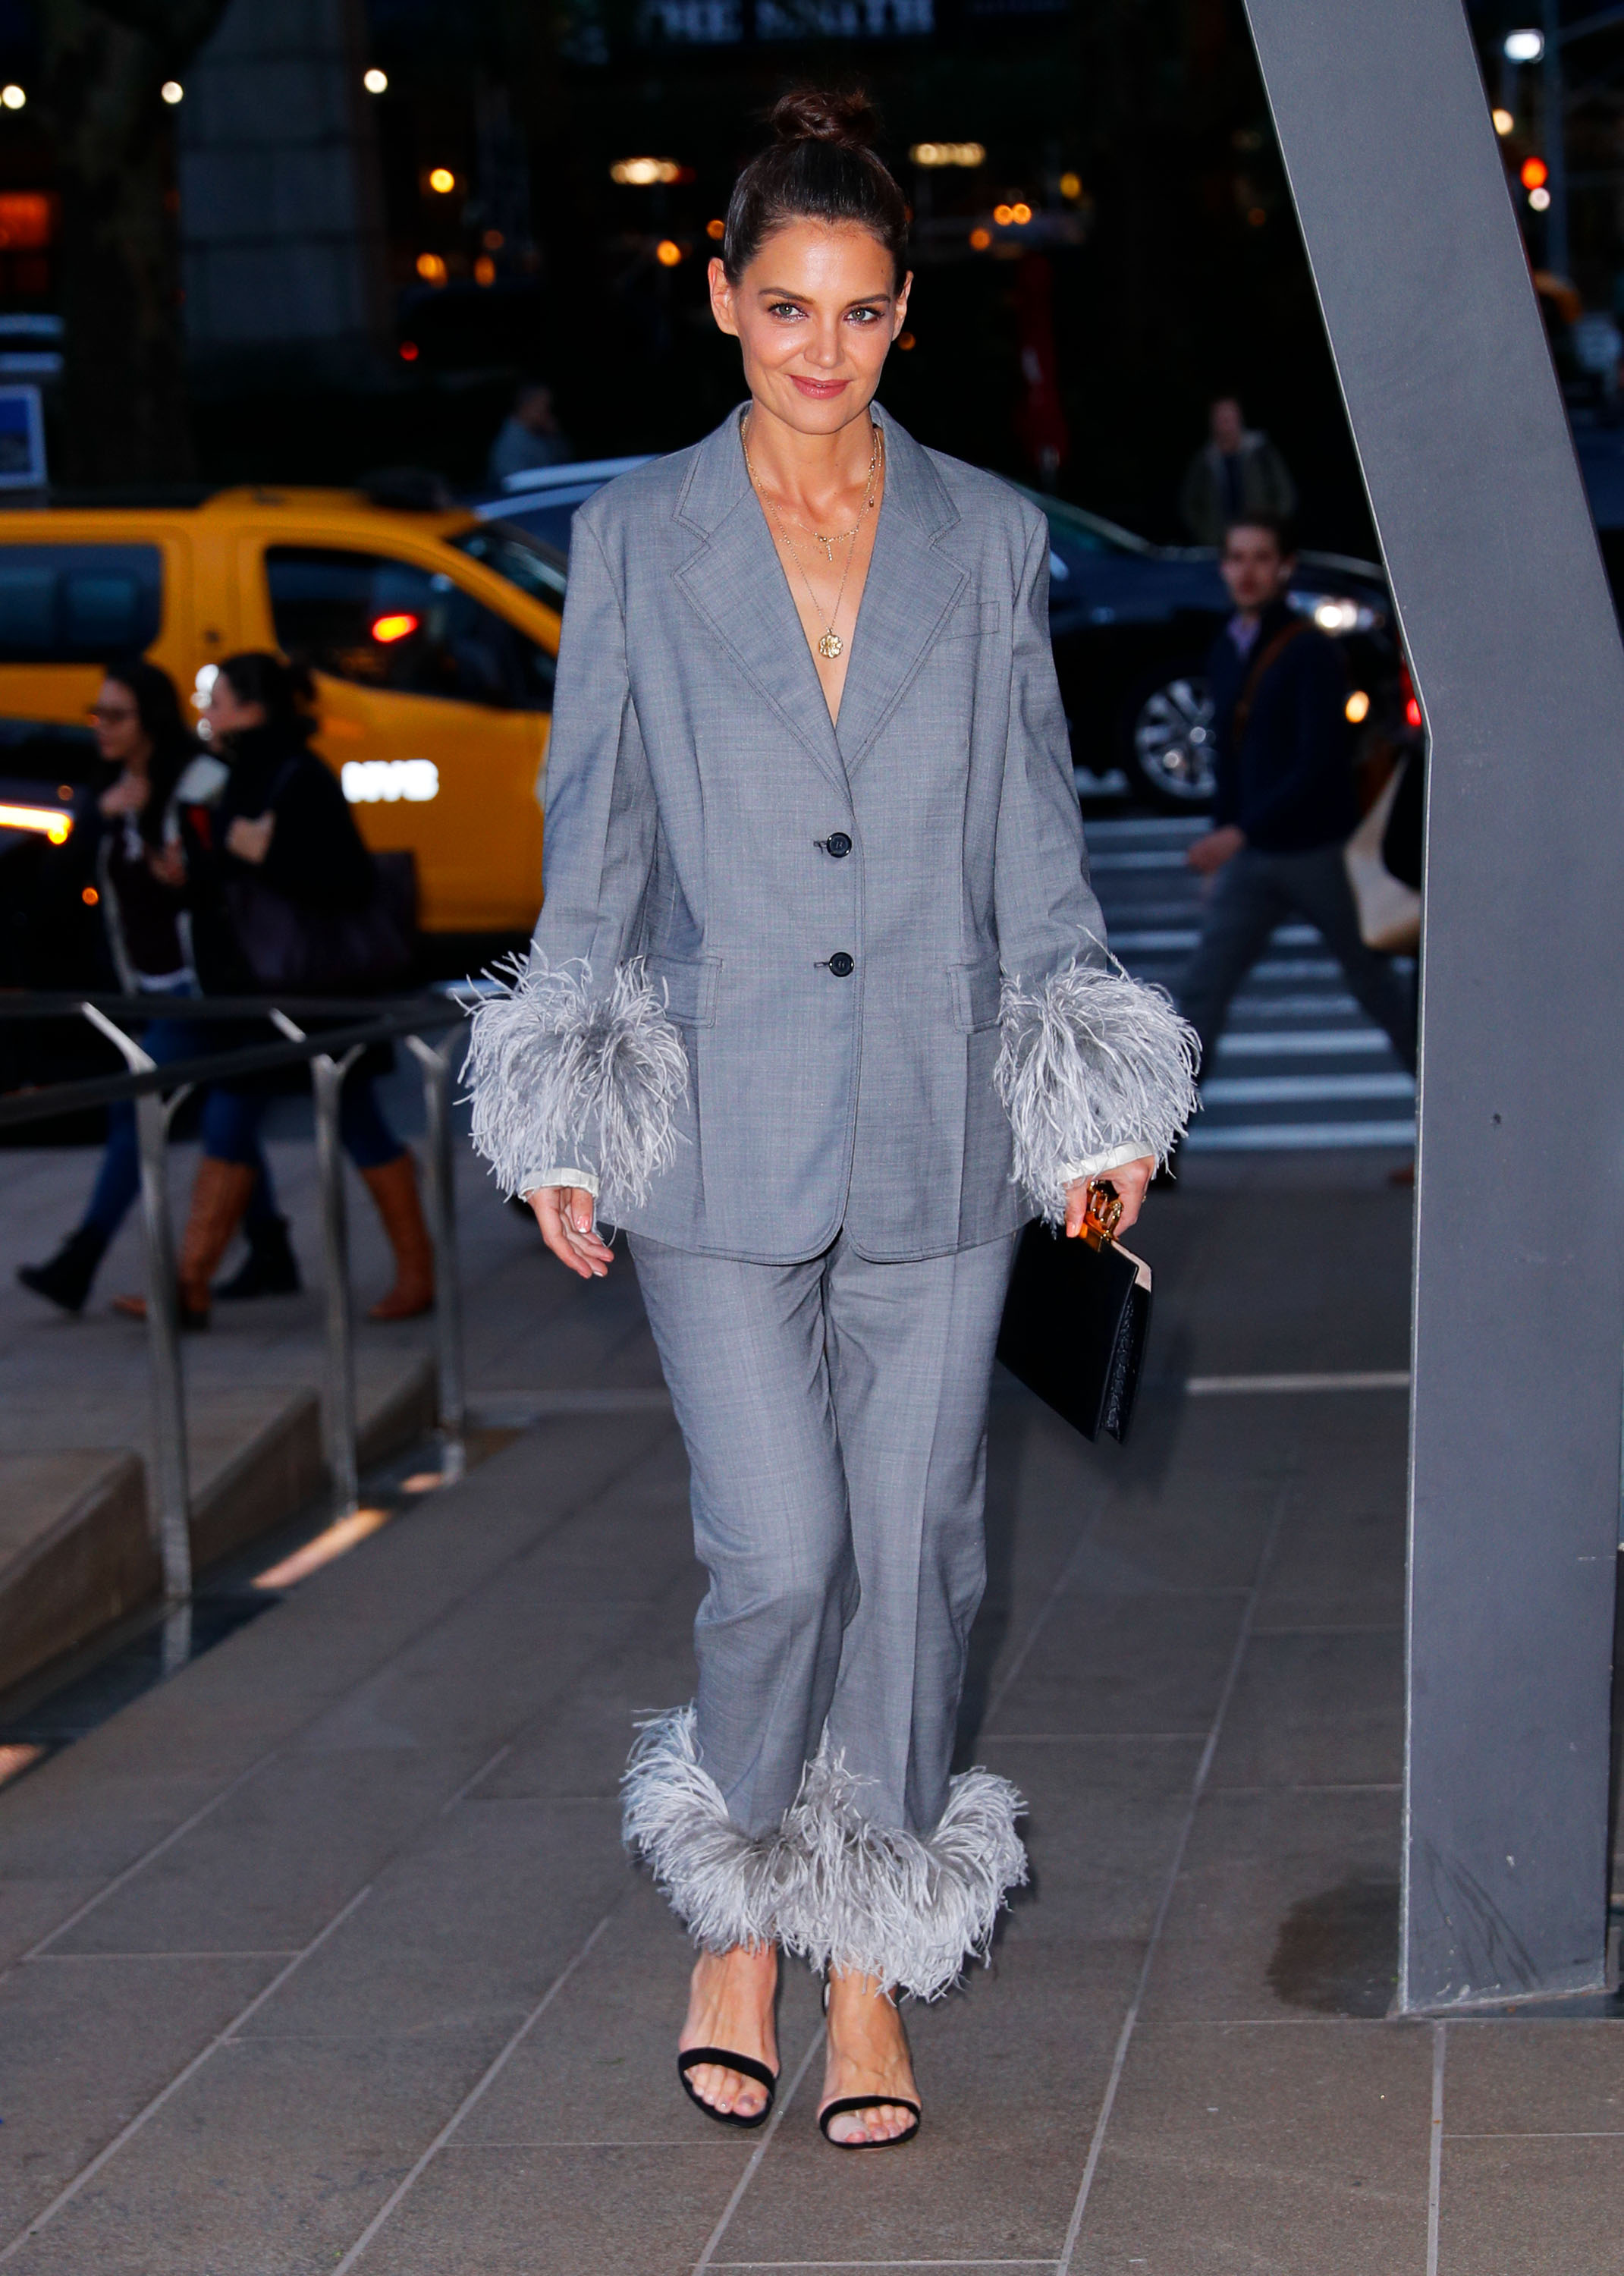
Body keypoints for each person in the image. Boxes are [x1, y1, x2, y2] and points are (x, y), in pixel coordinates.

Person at [465, 87, 1197, 2152]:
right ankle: (733, 1909)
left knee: (919, 1553)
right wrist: (561, 1117)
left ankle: (860, 1963)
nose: (817, 347)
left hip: (938, 1135)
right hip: (712, 1128)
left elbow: (1038, 851)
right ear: (717, 294)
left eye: (857, 311)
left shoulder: (983, 538)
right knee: (776, 1558)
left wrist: (1081, 1098)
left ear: (899, 317)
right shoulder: (632, 536)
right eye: (781, 304)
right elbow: (591, 849)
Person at [109, 652, 435, 1325]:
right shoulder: (241, 774)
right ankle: (190, 1284)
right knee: (236, 1108)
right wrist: (195, 868)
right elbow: (229, 870)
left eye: (220, 701)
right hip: (257, 988)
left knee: (354, 1118)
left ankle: (416, 1271)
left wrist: (255, 853)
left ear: (254, 708)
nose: (208, 713)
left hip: (308, 986)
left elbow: (340, 877)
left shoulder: (297, 776)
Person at [14, 659, 282, 1317]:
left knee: (156, 1108)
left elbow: (229, 873)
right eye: (97, 715)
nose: (101, 728)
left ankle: (97, 1258)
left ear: (150, 720)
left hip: (210, 985)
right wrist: (100, 817)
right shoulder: (110, 792)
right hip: (154, 985)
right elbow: (54, 886)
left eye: (116, 715)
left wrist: (185, 874)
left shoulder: (199, 782)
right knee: (230, 1108)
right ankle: (270, 1245)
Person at [1173, 514, 1417, 1147]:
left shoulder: (1307, 649)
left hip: (1318, 850)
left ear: (1284, 568)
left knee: (1375, 986)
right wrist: (1227, 838)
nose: (1246, 570)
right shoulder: (1227, 645)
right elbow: (1230, 758)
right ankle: (1161, 1147)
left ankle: (1457, 1118)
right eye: (1235, 557)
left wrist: (1236, 836)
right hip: (1252, 858)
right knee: (1202, 993)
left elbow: (1318, 762)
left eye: (1260, 558)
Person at [1179, 395, 1297, 548]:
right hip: (1218, 546)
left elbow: (1285, 494)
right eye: (1220, 419)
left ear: (1239, 419)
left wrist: (1272, 529)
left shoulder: (1261, 451)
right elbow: (1189, 504)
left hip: (1260, 541)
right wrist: (1206, 534)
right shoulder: (1204, 460)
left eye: (1230, 418)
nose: (1226, 424)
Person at [485, 381, 572, 486]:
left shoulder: (541, 435)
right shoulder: (511, 444)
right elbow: (515, 485)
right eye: (544, 407)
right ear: (528, 406)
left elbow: (564, 463)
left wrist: (555, 436)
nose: (548, 414)